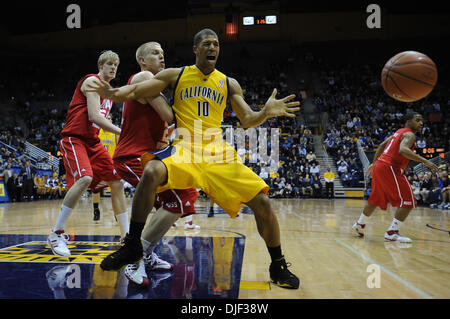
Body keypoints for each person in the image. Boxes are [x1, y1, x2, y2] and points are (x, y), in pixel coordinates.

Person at [89, 29, 300, 289]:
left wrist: (265, 113)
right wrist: (108, 93)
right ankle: (133, 245)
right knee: (152, 170)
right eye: (207, 44)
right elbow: (132, 92)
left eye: (217, 44)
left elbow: (247, 120)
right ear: (196, 49)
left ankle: (277, 264)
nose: (213, 48)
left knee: (262, 202)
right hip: (185, 148)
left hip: (216, 152)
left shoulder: (228, 82)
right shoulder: (175, 75)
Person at [111, 42, 199, 283]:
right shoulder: (143, 76)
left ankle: (145, 253)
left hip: (151, 157)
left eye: (163, 54)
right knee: (180, 198)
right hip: (133, 156)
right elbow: (169, 115)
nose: (162, 57)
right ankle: (134, 259)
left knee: (184, 197)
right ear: (142, 60)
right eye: (155, 54)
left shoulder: (153, 82)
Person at [47, 50, 130, 258]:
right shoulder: (91, 81)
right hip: (74, 138)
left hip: (93, 142)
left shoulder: (109, 93)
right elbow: (94, 116)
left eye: (116, 65)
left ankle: (127, 237)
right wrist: (124, 132)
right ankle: (56, 233)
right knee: (85, 178)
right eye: (109, 64)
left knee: (117, 182)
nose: (113, 68)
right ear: (100, 66)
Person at [352, 113, 439, 242]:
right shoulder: (410, 134)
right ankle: (392, 232)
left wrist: (374, 163)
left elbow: (382, 145)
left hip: (381, 165)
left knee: (376, 198)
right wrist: (426, 161)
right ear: (408, 121)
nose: (421, 123)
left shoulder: (398, 132)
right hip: (390, 166)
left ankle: (359, 224)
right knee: (409, 200)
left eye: (422, 121)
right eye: (417, 120)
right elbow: (403, 150)